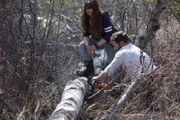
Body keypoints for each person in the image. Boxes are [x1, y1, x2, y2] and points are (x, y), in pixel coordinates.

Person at [92, 31, 157, 83]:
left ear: (122, 43)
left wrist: (97, 78)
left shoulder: (122, 52)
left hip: (146, 81)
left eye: (115, 46)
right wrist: (121, 86)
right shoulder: (134, 48)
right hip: (155, 76)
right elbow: (131, 72)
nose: (114, 48)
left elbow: (109, 71)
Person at [75, 0, 117, 77]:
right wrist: (88, 46)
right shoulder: (86, 18)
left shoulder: (104, 16)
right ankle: (89, 68)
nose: (90, 14)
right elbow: (85, 33)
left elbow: (108, 35)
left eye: (92, 12)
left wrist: (95, 46)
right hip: (97, 39)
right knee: (82, 45)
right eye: (88, 12)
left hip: (109, 42)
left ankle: (115, 82)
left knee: (112, 63)